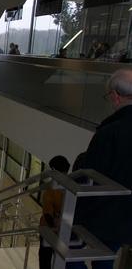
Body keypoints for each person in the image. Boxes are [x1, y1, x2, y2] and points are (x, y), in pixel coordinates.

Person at [69, 69, 132, 269]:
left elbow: (89, 175)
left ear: (115, 96)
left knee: (67, 250)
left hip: (103, 213)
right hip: (126, 216)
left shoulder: (111, 131)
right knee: (106, 257)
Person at [39, 155, 70, 269]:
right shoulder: (71, 185)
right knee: (61, 258)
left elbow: (47, 213)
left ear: (54, 170)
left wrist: (53, 225)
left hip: (48, 229)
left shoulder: (52, 188)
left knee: (45, 257)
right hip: (65, 229)